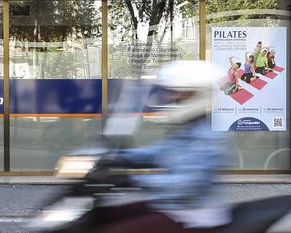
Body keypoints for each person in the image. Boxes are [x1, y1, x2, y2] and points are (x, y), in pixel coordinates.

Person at [90, 61, 233, 233]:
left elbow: (188, 184)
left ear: (198, 94)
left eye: (179, 93)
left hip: (192, 217)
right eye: (171, 92)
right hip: (169, 205)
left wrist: (133, 181)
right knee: (99, 217)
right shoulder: (188, 129)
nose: (171, 97)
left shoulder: (208, 138)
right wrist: (117, 156)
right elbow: (158, 153)